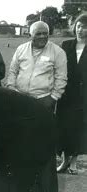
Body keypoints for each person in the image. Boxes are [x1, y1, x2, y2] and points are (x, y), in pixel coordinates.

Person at [6, 21, 67, 112]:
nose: (42, 36)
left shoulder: (58, 52)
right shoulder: (21, 49)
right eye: (38, 34)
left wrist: (53, 97)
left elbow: (61, 77)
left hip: (43, 100)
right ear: (30, 35)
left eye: (45, 33)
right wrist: (12, 89)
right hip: (20, 97)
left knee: (41, 126)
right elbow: (13, 71)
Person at [56, 13, 87, 174]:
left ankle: (74, 161)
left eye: (84, 27)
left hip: (83, 97)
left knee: (78, 129)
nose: (80, 30)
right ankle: (64, 160)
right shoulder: (66, 45)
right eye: (79, 26)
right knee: (64, 128)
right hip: (66, 95)